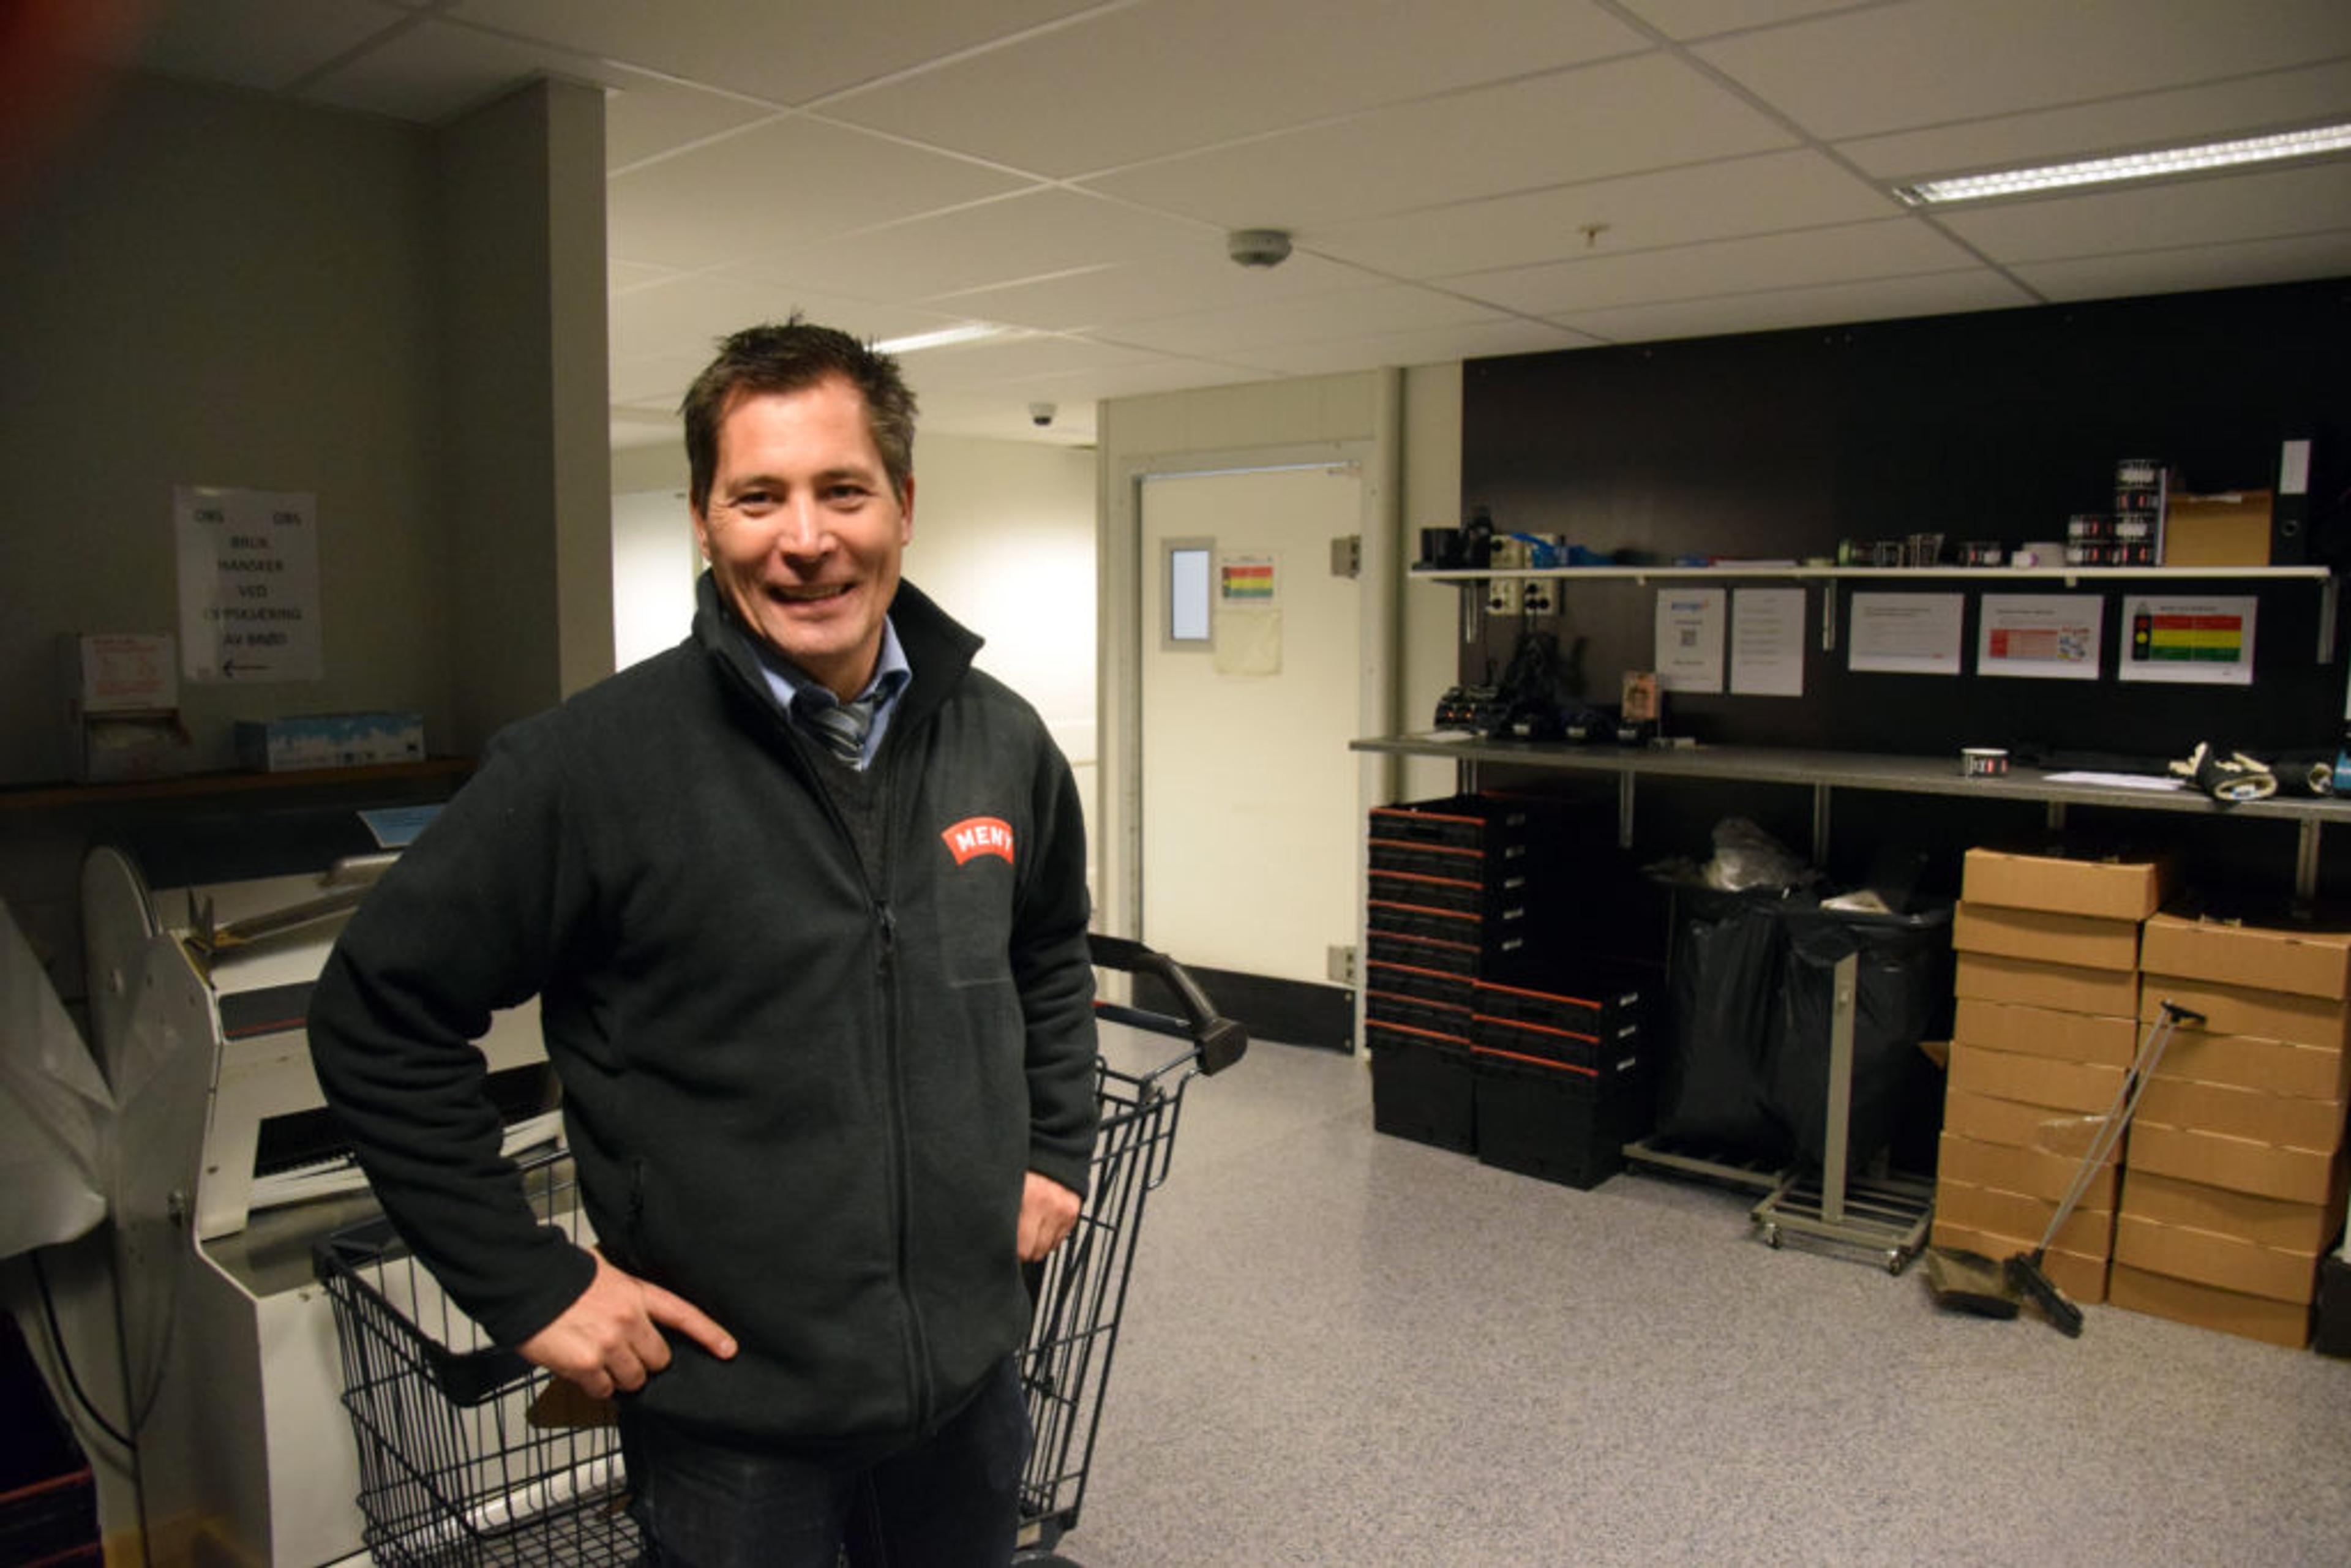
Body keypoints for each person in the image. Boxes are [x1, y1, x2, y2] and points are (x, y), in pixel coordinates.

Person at [307, 318, 1101, 1566]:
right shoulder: (590, 767)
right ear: (702, 518)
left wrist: (1055, 1144)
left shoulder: (1000, 740)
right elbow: (378, 1015)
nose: (806, 538)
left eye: (844, 491)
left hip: (967, 1378)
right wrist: (534, 1285)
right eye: (758, 497)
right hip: (735, 1423)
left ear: (903, 504)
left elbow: (1047, 946)